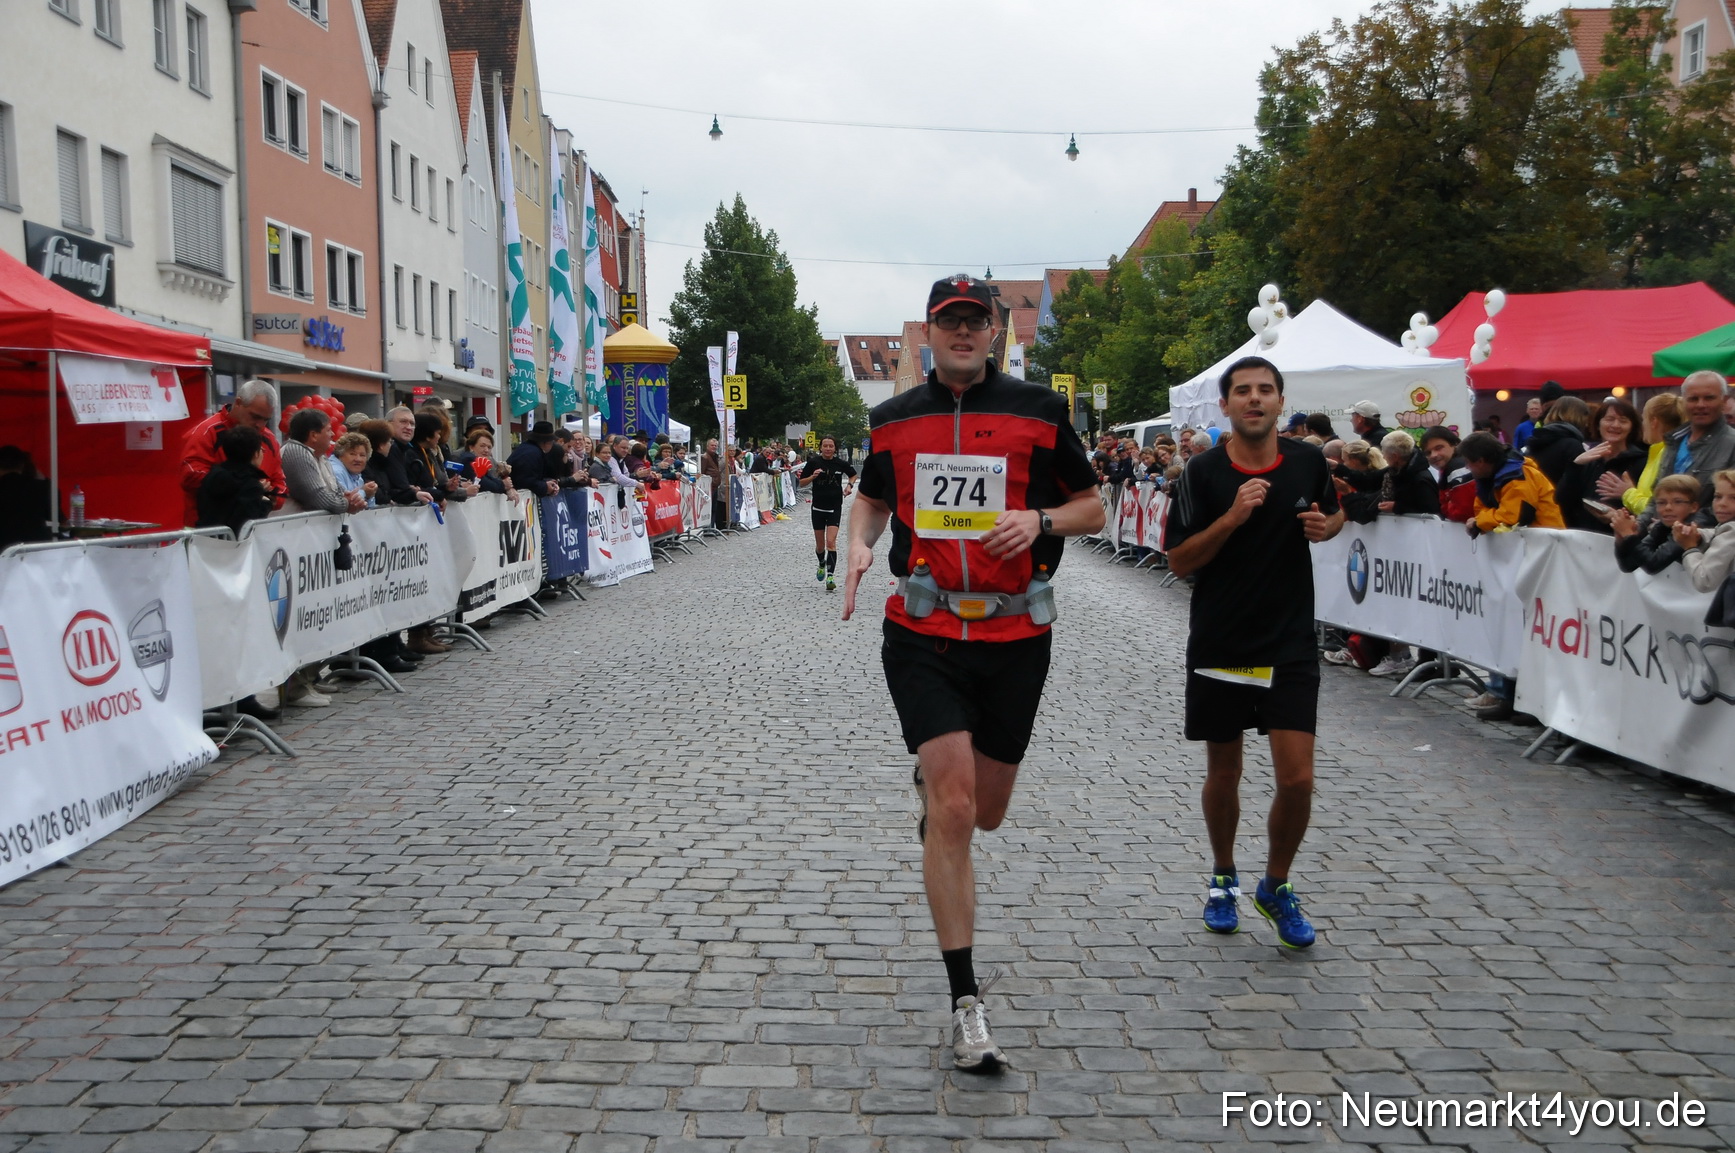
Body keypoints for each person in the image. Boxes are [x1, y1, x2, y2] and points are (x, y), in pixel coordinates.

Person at [840, 274, 1103, 1071]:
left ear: (992, 331)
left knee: (984, 811)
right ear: (929, 332)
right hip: (922, 629)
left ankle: (940, 793)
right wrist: (858, 543)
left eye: (974, 320)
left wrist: (1039, 518)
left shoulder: (1039, 410)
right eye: (948, 320)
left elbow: (1093, 507)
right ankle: (966, 1002)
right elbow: (871, 499)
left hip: (1017, 633)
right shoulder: (892, 419)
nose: (961, 332)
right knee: (953, 807)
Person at [1165, 355, 1344, 951]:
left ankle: (1276, 884)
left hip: (1289, 642)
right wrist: (1233, 518)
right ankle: (1223, 878)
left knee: (1298, 779)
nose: (1254, 399)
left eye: (1265, 389)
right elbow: (1179, 560)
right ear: (1225, 405)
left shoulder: (1308, 461)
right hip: (1225, 639)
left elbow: (1333, 512)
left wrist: (1328, 527)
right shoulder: (1202, 472)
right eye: (1242, 390)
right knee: (1226, 771)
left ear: (1280, 401)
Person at [180, 379, 286, 526]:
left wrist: (267, 495)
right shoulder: (206, 432)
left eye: (266, 420)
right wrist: (248, 487)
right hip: (206, 529)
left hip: (251, 529)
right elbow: (190, 477)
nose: (260, 425)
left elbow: (280, 485)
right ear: (238, 403)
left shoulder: (270, 440)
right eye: (255, 416)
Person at [1556, 399, 1646, 532]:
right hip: (1583, 536)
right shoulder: (1588, 460)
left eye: (1623, 421)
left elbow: (1649, 510)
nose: (1615, 425)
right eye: (1609, 419)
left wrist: (1618, 511)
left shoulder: (1641, 462)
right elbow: (1561, 502)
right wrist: (1575, 465)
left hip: (1621, 538)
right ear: (1598, 424)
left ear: (1632, 427)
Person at [1653, 371, 1735, 504]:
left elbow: (1728, 506)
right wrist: (1642, 518)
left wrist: (1683, 516)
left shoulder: (1732, 445)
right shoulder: (1674, 441)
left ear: (1724, 401)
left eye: (1709, 398)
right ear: (1684, 401)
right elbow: (1656, 497)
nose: (1700, 405)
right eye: (1693, 399)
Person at [1460, 432, 1565, 535]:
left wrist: (1478, 523)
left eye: (1467, 462)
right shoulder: (1490, 478)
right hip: (1530, 541)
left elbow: (1513, 517)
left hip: (1546, 540)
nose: (1466, 467)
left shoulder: (1517, 477)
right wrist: (1480, 522)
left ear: (1480, 461)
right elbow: (1481, 510)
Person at [1601, 394, 1686, 516]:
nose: (1642, 425)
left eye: (1643, 419)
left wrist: (1627, 493)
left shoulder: (1667, 456)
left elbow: (1660, 508)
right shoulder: (1657, 452)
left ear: (1654, 422)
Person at [280, 408, 365, 516]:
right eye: (328, 430)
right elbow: (318, 498)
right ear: (314, 435)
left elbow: (338, 490)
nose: (333, 434)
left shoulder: (321, 456)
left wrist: (352, 499)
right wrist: (347, 504)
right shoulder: (296, 451)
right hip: (292, 525)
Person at [195, 426, 276, 536]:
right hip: (232, 545)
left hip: (204, 540)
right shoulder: (251, 485)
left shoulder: (211, 475)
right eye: (262, 450)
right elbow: (246, 526)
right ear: (255, 454)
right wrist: (265, 502)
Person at [799, 435, 856, 591]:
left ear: (835, 448)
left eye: (831, 446)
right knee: (820, 546)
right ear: (821, 447)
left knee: (831, 542)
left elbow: (853, 474)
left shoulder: (840, 463)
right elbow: (802, 482)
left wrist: (849, 486)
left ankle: (830, 576)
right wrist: (813, 476)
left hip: (834, 507)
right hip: (818, 508)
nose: (828, 448)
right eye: (825, 446)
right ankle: (821, 563)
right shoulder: (813, 462)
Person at [1612, 474, 1702, 574]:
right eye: (1661, 502)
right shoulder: (1662, 526)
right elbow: (1628, 565)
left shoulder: (1693, 527)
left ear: (1693, 507)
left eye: (1677, 502)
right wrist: (1621, 538)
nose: (1668, 507)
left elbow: (1653, 565)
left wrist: (1628, 534)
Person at [1678, 470, 1735, 591]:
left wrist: (1690, 548)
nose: (1722, 504)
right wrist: (1698, 534)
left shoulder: (1731, 531)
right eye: (1718, 496)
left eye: (1733, 498)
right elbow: (1719, 532)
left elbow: (1704, 580)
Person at [1521, 396, 1592, 487]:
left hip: (1535, 493)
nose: (1586, 424)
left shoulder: (1536, 439)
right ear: (1578, 417)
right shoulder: (1572, 445)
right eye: (1585, 416)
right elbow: (1576, 484)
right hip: (1559, 494)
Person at [0, 446, 53, 550]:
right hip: (36, 547)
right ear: (22, 464)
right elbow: (56, 517)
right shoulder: (41, 488)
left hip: (3, 547)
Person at [1420, 426, 1475, 521]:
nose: (1433, 455)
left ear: (1454, 444)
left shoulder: (1458, 468)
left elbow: (1463, 513)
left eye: (1438, 448)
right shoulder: (1448, 468)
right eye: (1428, 453)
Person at [508, 422, 562, 497]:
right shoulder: (533, 454)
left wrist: (545, 482)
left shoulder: (526, 448)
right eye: (552, 442)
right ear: (546, 442)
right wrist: (545, 487)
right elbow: (525, 481)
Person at [328, 432, 378, 508]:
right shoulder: (336, 471)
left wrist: (369, 495)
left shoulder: (356, 476)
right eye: (352, 454)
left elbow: (369, 509)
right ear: (340, 454)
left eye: (362, 455)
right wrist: (364, 492)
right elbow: (344, 504)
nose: (358, 459)